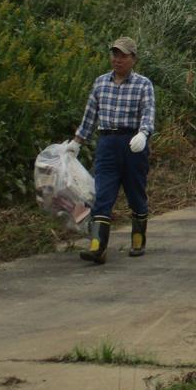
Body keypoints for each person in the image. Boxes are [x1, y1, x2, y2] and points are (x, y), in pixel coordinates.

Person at [66, 37, 155, 265]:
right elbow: (90, 116)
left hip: (132, 143)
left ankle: (138, 238)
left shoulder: (143, 84)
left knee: (136, 192)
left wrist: (143, 133)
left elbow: (148, 113)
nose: (117, 60)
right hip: (107, 143)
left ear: (133, 59)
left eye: (123, 55)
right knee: (102, 193)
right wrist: (77, 141)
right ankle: (97, 246)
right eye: (114, 54)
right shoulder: (100, 83)